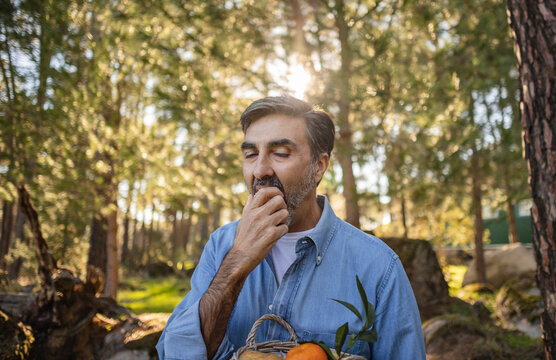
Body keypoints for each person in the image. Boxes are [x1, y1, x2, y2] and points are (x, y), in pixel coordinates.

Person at [156, 96, 426, 360]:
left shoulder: (378, 265)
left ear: (318, 167)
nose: (260, 169)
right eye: (251, 154)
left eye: (281, 154)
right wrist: (237, 260)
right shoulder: (220, 245)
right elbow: (175, 351)